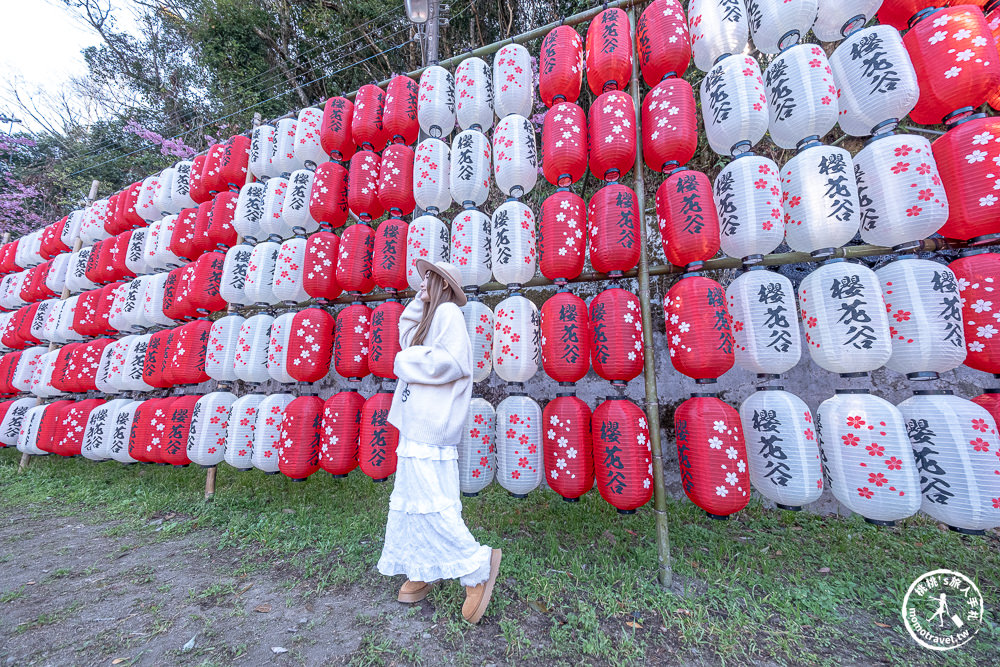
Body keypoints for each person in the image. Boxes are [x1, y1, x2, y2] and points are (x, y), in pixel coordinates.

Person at [377, 260, 502, 624]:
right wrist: (419, 302)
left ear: (443, 284)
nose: (422, 283)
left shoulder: (448, 313)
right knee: (421, 498)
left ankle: (477, 565)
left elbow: (451, 363)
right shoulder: (434, 314)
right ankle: (423, 566)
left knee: (431, 499)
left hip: (431, 427)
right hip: (419, 424)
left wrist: (407, 360)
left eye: (428, 279)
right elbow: (406, 333)